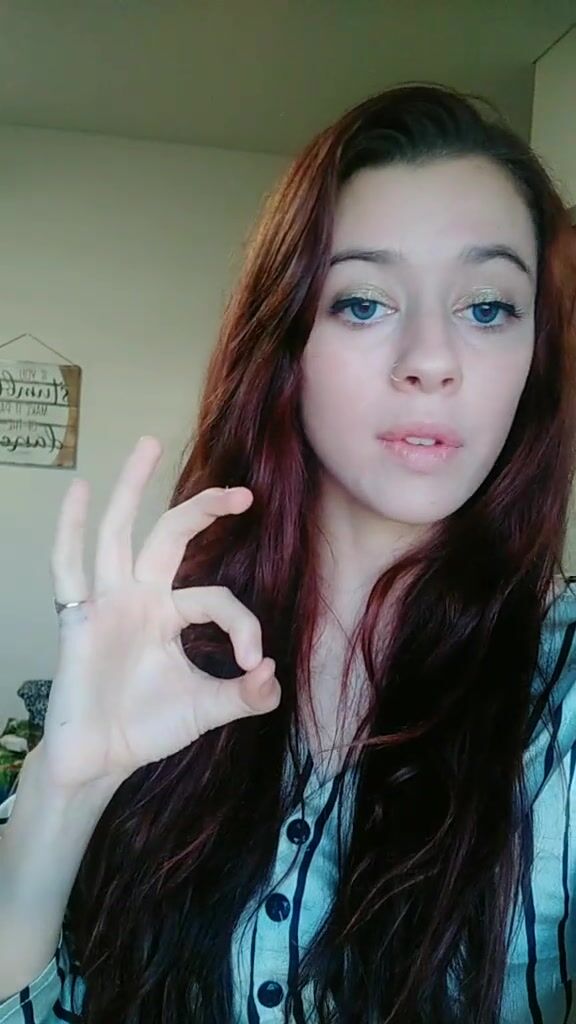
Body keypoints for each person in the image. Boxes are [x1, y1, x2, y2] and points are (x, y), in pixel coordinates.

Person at [0, 82, 575, 1024]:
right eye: (363, 302)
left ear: (534, 359)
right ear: (286, 345)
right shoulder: (171, 646)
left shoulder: (565, 699)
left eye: (487, 307)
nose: (431, 359)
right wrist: (61, 792)